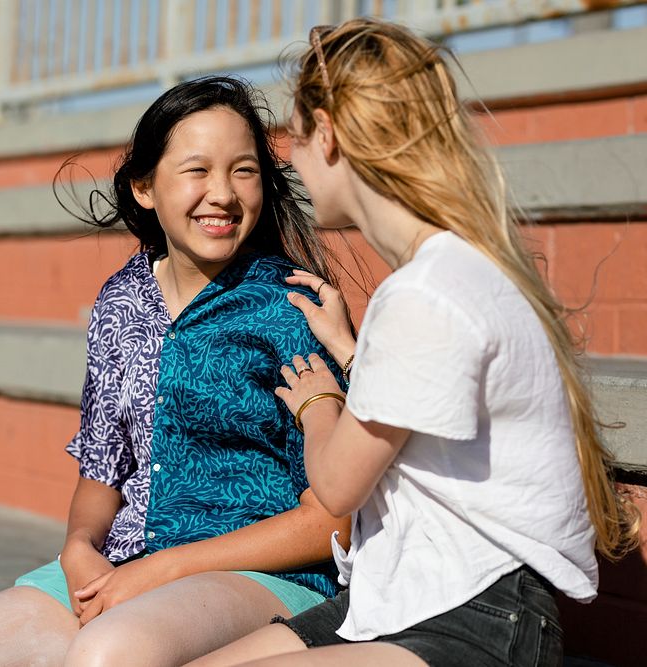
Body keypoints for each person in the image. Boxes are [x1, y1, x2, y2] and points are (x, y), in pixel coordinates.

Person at [189, 18, 641, 667]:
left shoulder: (425, 291)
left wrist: (319, 399)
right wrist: (353, 352)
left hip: (476, 616)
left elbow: (339, 485)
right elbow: (431, 417)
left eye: (297, 136)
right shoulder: (454, 271)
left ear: (331, 134)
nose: (290, 159)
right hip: (407, 592)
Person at [0, 77, 352, 667]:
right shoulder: (121, 302)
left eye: (244, 170)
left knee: (108, 655)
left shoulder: (293, 310)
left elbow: (333, 518)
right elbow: (104, 466)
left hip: (258, 575)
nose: (224, 194)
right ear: (145, 187)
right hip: (123, 564)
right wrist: (79, 545)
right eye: (196, 170)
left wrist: (166, 568)